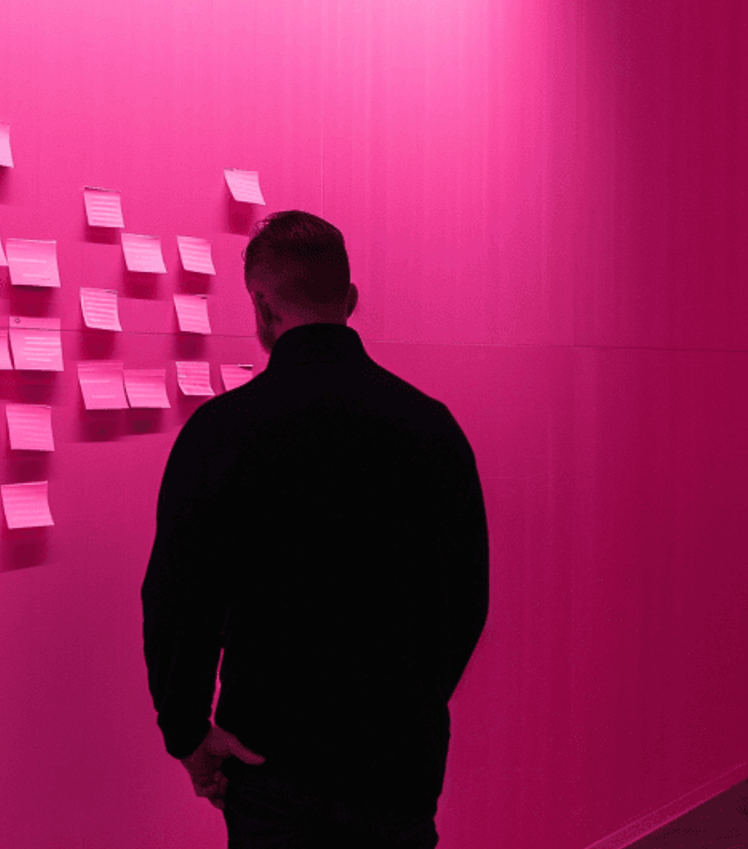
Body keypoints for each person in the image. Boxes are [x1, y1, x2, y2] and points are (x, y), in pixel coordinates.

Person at [141, 210, 489, 848]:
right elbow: (466, 598)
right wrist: (413, 703)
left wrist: (187, 732)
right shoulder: (432, 427)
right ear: (351, 299)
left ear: (261, 304)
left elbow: (178, 601)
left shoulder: (220, 433)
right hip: (398, 758)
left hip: (270, 755)